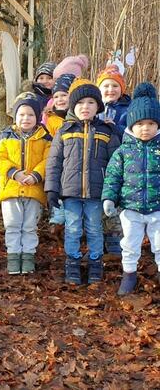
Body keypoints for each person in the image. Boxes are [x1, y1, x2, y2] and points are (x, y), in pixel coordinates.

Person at [45, 79, 121, 285]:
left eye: (90, 103)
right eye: (80, 103)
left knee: (95, 228)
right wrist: (51, 189)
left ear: (98, 106)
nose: (85, 107)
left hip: (97, 192)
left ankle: (96, 262)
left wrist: (114, 192)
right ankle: (73, 262)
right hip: (70, 192)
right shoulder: (65, 131)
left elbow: (115, 164)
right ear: (73, 107)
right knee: (73, 228)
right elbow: (54, 163)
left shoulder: (107, 132)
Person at [102, 82, 160, 295]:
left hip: (157, 208)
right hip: (131, 208)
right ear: (131, 125)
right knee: (130, 244)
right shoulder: (123, 152)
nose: (146, 128)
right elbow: (112, 177)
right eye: (141, 123)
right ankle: (129, 275)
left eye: (151, 123)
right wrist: (109, 198)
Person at [0, 95, 52, 274]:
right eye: (21, 115)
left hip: (33, 190)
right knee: (12, 225)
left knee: (29, 226)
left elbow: (48, 160)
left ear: (37, 117)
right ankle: (13, 257)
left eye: (30, 115)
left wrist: (36, 175)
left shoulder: (45, 138)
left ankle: (28, 257)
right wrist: (13, 172)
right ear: (15, 117)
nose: (25, 118)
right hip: (11, 189)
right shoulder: (6, 137)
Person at [96, 65, 131, 255]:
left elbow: (131, 134)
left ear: (122, 89)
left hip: (120, 163)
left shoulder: (128, 110)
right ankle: (98, 243)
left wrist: (115, 127)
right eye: (106, 86)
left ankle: (116, 243)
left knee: (115, 203)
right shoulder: (93, 107)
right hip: (98, 163)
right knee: (99, 204)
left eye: (115, 86)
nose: (110, 90)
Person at [42, 73, 76, 234]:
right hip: (56, 158)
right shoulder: (51, 118)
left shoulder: (78, 116)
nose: (60, 99)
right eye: (56, 96)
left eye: (64, 95)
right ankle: (56, 215)